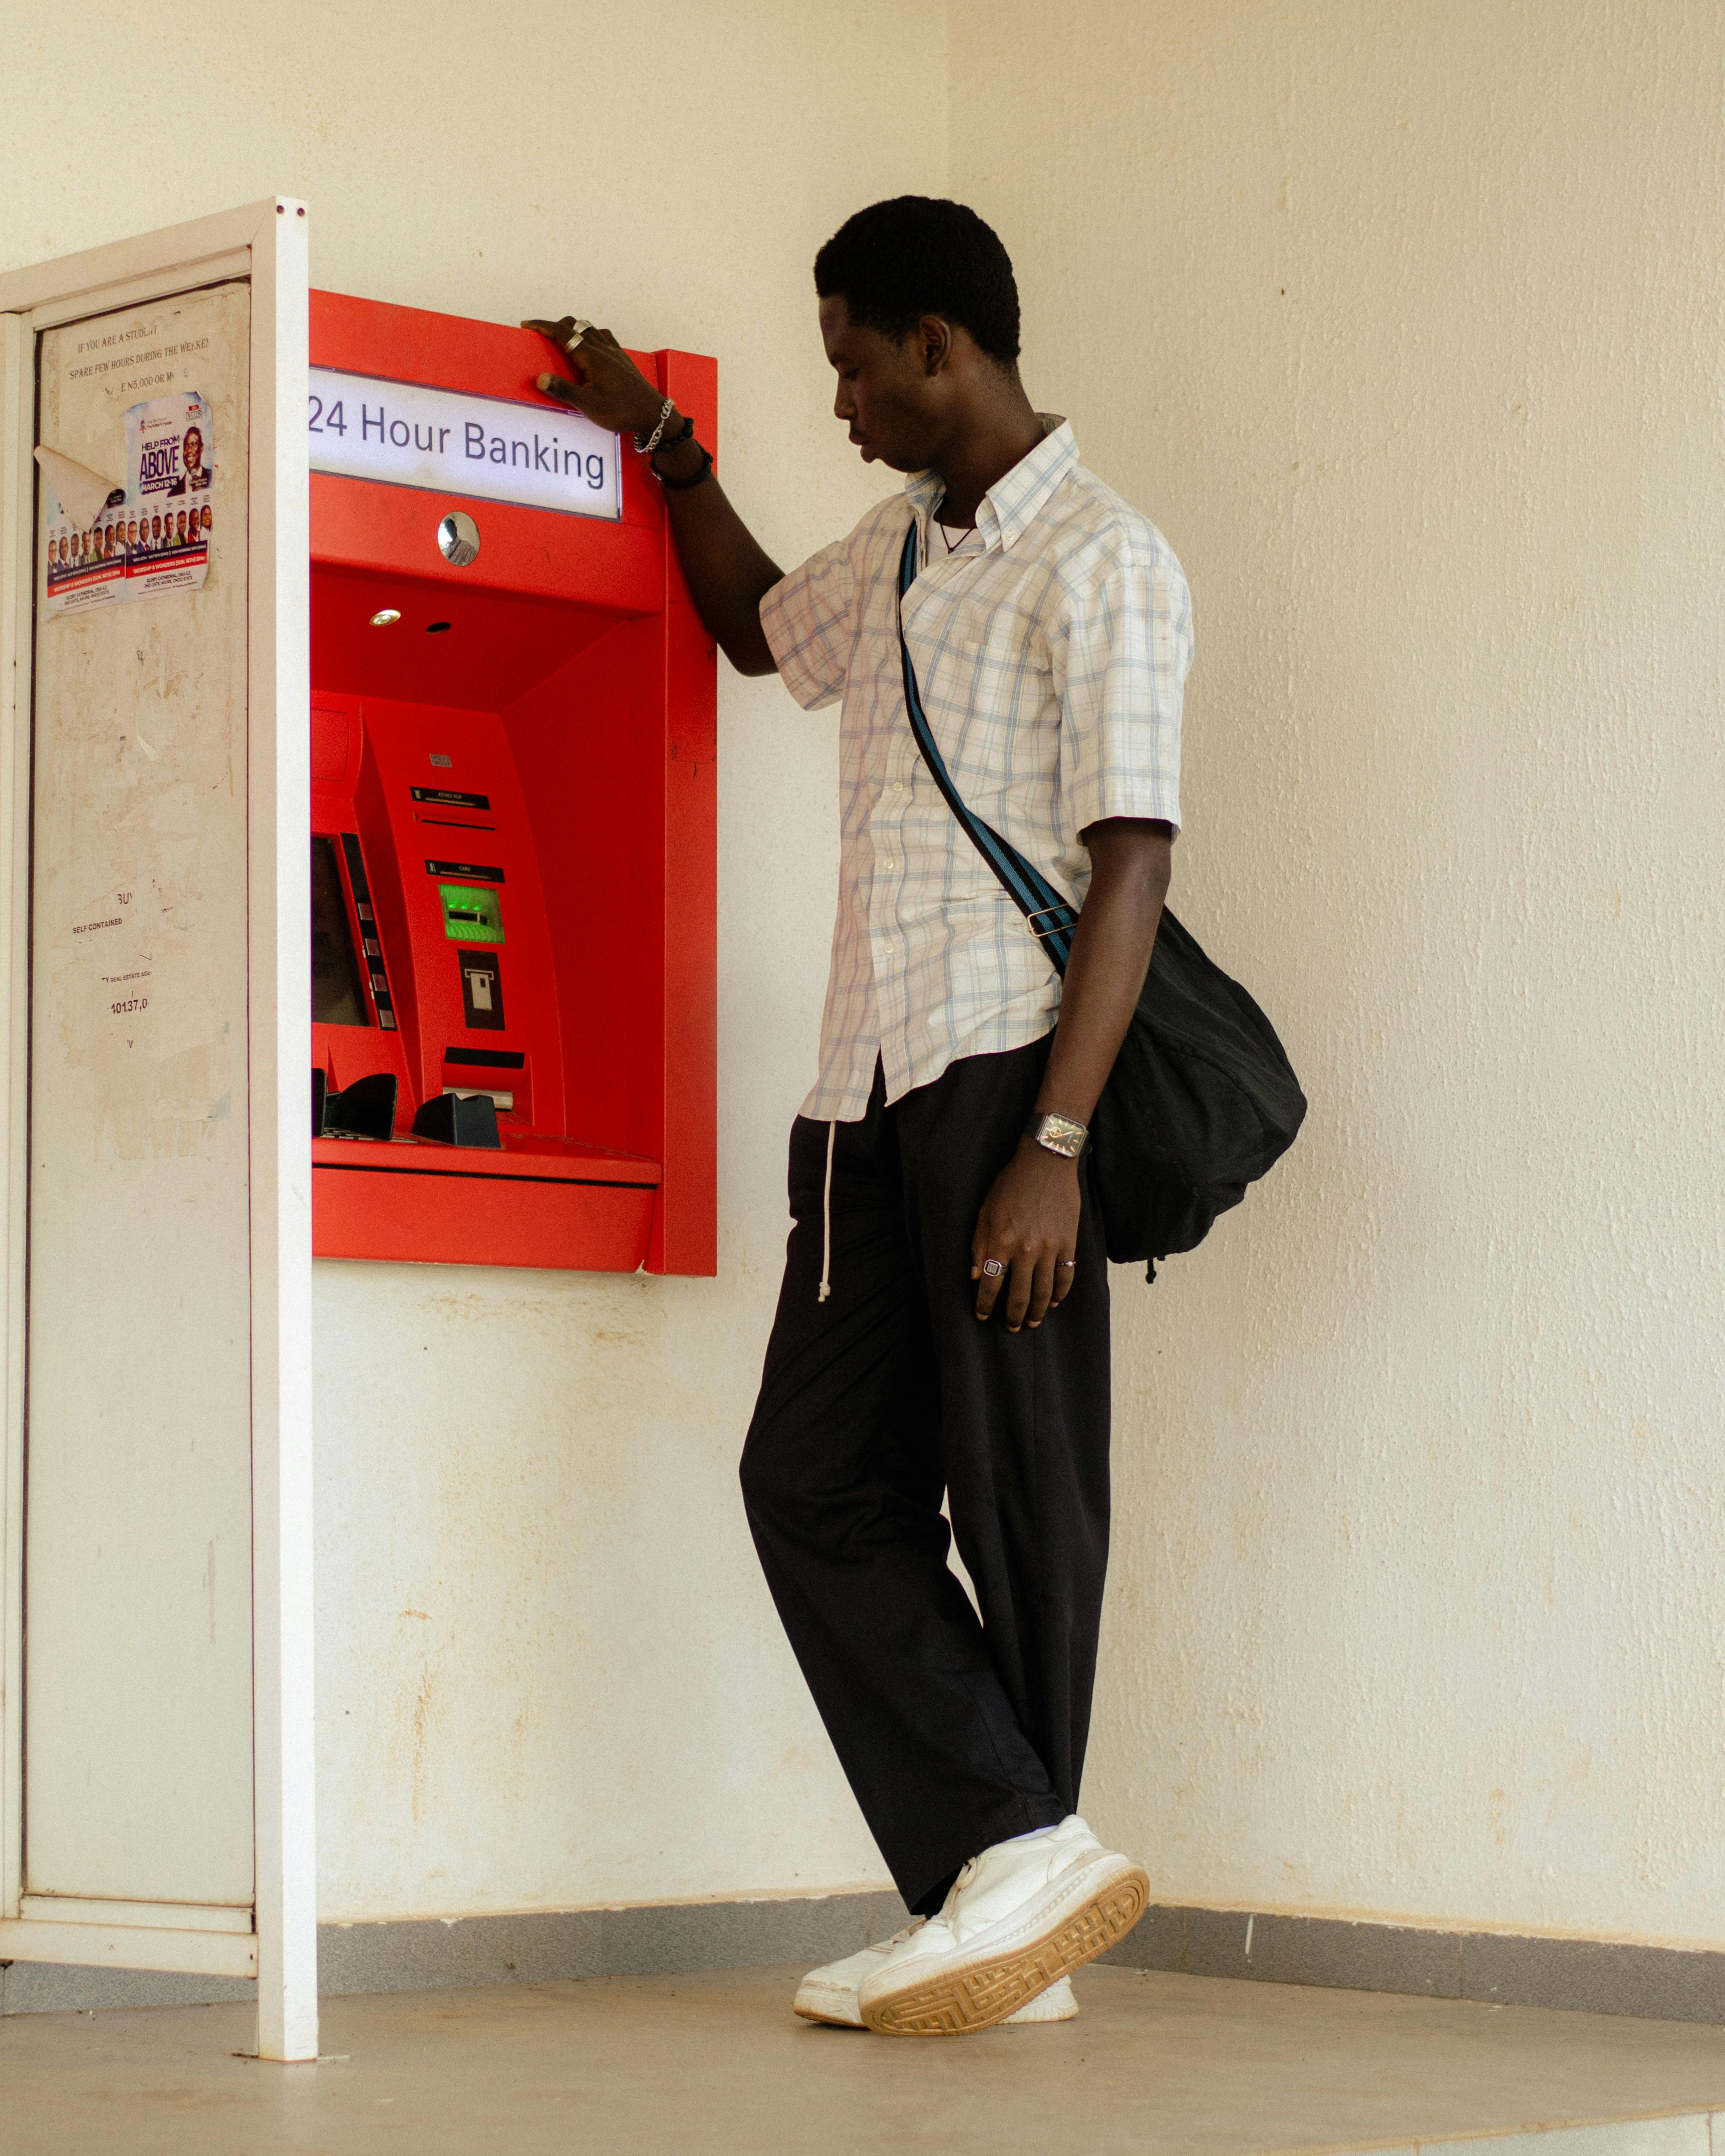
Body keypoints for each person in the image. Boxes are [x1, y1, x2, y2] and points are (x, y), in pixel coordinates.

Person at [527, 195, 1191, 2038]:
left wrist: (1054, 1149)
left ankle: (1010, 1901)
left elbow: (1130, 864)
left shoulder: (1105, 561)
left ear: (937, 347)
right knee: (811, 1482)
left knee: (1026, 1500)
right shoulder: (901, 548)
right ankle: (1012, 1866)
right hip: (859, 1091)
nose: (840, 398)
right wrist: (661, 447)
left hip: (1005, 1081)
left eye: (848, 360)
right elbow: (755, 631)